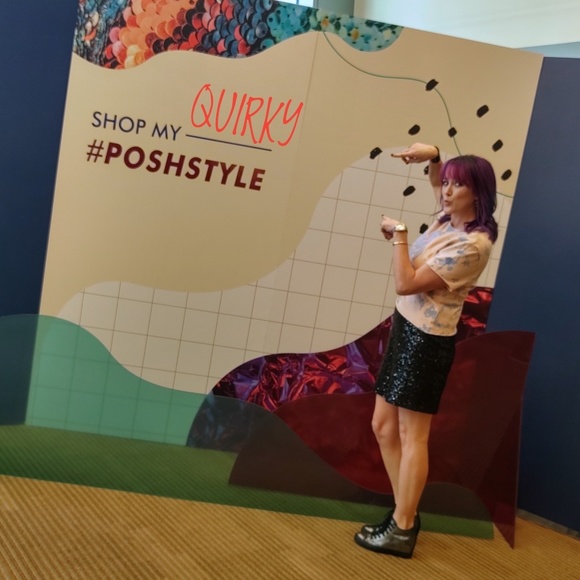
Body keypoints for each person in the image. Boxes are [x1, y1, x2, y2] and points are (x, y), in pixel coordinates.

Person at [353, 143, 498, 559]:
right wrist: (434, 154)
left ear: (477, 193)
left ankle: (402, 528)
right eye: (446, 183)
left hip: (426, 342)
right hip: (407, 331)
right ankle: (406, 513)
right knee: (383, 427)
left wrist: (399, 235)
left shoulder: (473, 244)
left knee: (412, 435)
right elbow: (437, 181)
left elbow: (406, 283)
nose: (446, 191)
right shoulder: (449, 219)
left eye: (457, 185)